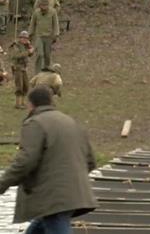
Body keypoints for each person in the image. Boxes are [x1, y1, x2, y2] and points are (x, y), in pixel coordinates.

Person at [0, 86, 97, 232]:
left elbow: (25, 161)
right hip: (72, 193)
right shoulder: (72, 122)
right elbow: (90, 161)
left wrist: (2, 184)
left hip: (52, 197)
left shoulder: (35, 123)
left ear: (31, 104)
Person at [28, 0, 60, 74]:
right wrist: (30, 34)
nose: (43, 8)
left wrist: (56, 34)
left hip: (49, 36)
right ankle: (37, 71)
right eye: (42, 6)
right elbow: (32, 24)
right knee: (39, 54)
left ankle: (47, 67)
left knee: (47, 54)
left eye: (45, 6)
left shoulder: (53, 12)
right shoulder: (36, 13)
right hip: (39, 36)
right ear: (39, 6)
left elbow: (55, 24)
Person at [8, 31, 34, 109]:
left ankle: (23, 103)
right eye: (24, 38)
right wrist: (28, 51)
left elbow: (30, 54)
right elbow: (17, 55)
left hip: (24, 68)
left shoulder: (25, 45)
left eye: (26, 38)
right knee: (19, 86)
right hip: (17, 67)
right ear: (20, 38)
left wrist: (30, 47)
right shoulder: (16, 46)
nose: (25, 40)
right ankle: (18, 104)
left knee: (26, 86)